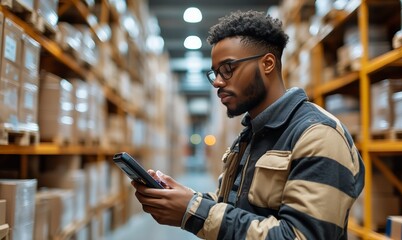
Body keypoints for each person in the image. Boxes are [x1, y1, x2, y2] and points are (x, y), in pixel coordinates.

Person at [132, 10, 365, 240]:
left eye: (228, 69)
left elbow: (299, 236)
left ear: (267, 64)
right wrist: (184, 199)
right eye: (215, 73)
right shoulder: (250, 135)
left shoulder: (318, 135)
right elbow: (238, 207)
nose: (218, 82)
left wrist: (193, 212)